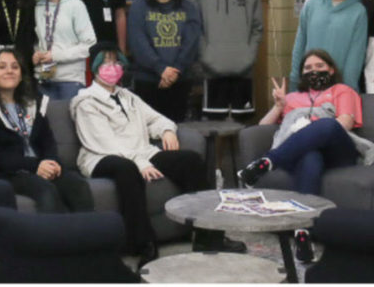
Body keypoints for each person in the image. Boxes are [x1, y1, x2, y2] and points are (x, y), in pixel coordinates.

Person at [70, 43, 245, 267]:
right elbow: (105, 143)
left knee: (190, 161)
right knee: (126, 169)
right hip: (101, 156)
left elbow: (156, 118)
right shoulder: (85, 102)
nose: (112, 67)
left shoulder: (128, 97)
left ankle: (208, 237)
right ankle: (143, 243)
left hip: (141, 151)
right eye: (105, 63)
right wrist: (141, 163)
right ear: (94, 68)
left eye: (116, 62)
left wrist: (167, 130)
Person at [238, 49, 374, 263]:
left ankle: (269, 161)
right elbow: (263, 128)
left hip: (338, 150)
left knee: (326, 124)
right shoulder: (293, 97)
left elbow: (345, 123)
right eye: (308, 68)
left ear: (331, 69)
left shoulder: (343, 91)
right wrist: (279, 106)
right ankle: (303, 233)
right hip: (305, 152)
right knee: (310, 156)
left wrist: (309, 127)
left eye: (320, 66)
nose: (314, 71)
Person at [0, 49, 93, 214]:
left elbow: (47, 141)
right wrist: (35, 166)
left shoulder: (33, 103)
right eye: (2, 67)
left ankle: (87, 236)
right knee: (46, 191)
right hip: (5, 174)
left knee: (78, 186)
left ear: (21, 74)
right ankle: (53, 239)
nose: (9, 71)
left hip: (38, 167)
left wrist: (51, 162)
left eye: (15, 67)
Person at [194, 0, 263, 119]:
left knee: (243, 122)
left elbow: (257, 28)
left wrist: (250, 55)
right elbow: (195, 27)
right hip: (212, 68)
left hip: (243, 67)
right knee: (214, 124)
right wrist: (205, 56)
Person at [127, 0, 201, 122]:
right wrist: (160, 68)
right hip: (148, 80)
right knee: (148, 133)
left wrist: (175, 70)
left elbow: (192, 42)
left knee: (177, 132)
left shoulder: (189, 7)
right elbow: (138, 43)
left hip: (180, 79)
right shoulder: (139, 6)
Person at [290, 0, 368, 92]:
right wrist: (295, 79)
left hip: (340, 89)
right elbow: (299, 46)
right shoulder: (311, 6)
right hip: (308, 86)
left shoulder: (358, 11)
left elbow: (356, 57)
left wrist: (347, 91)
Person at [32, 0, 97, 100]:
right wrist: (35, 53)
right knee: (43, 121)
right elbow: (37, 40)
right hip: (42, 79)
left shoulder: (75, 5)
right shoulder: (37, 5)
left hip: (70, 80)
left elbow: (89, 44)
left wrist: (55, 56)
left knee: (66, 121)